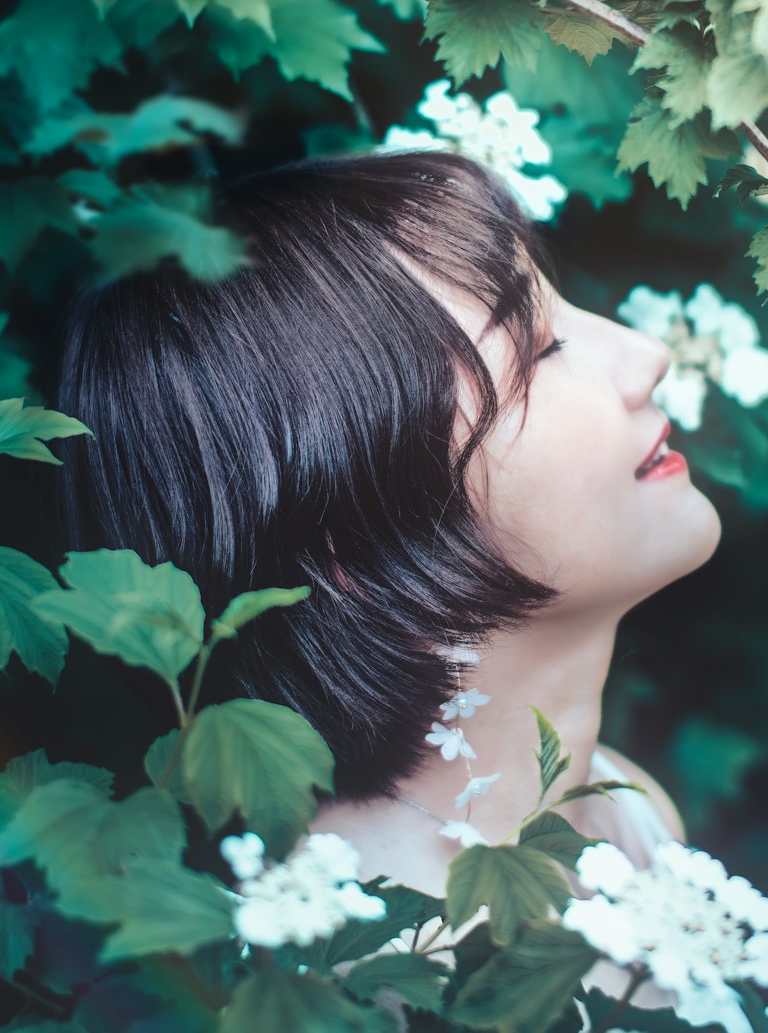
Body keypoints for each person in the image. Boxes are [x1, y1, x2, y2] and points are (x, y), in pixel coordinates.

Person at [53, 149, 722, 989]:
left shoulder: (623, 808)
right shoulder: (388, 977)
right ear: (353, 547)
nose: (645, 354)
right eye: (539, 350)